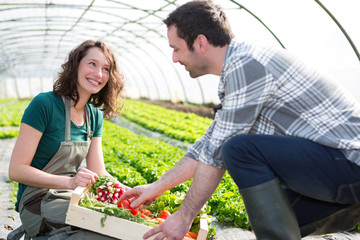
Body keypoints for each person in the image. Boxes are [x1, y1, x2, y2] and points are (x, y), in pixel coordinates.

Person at [119, 1, 360, 240]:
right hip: (340, 167)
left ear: (200, 42)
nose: (174, 58)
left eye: (176, 48)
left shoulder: (247, 64)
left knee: (238, 149)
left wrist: (184, 217)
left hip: (350, 162)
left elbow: (217, 155)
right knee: (281, 217)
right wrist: (156, 187)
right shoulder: (239, 64)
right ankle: (348, 209)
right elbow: (208, 144)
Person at [8, 40, 125, 239]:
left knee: (118, 225)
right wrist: (70, 182)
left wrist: (129, 192)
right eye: (92, 64)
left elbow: (99, 171)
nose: (99, 74)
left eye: (106, 69)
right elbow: (16, 170)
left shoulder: (94, 116)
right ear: (76, 65)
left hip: (70, 198)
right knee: (104, 234)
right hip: (37, 201)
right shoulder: (44, 105)